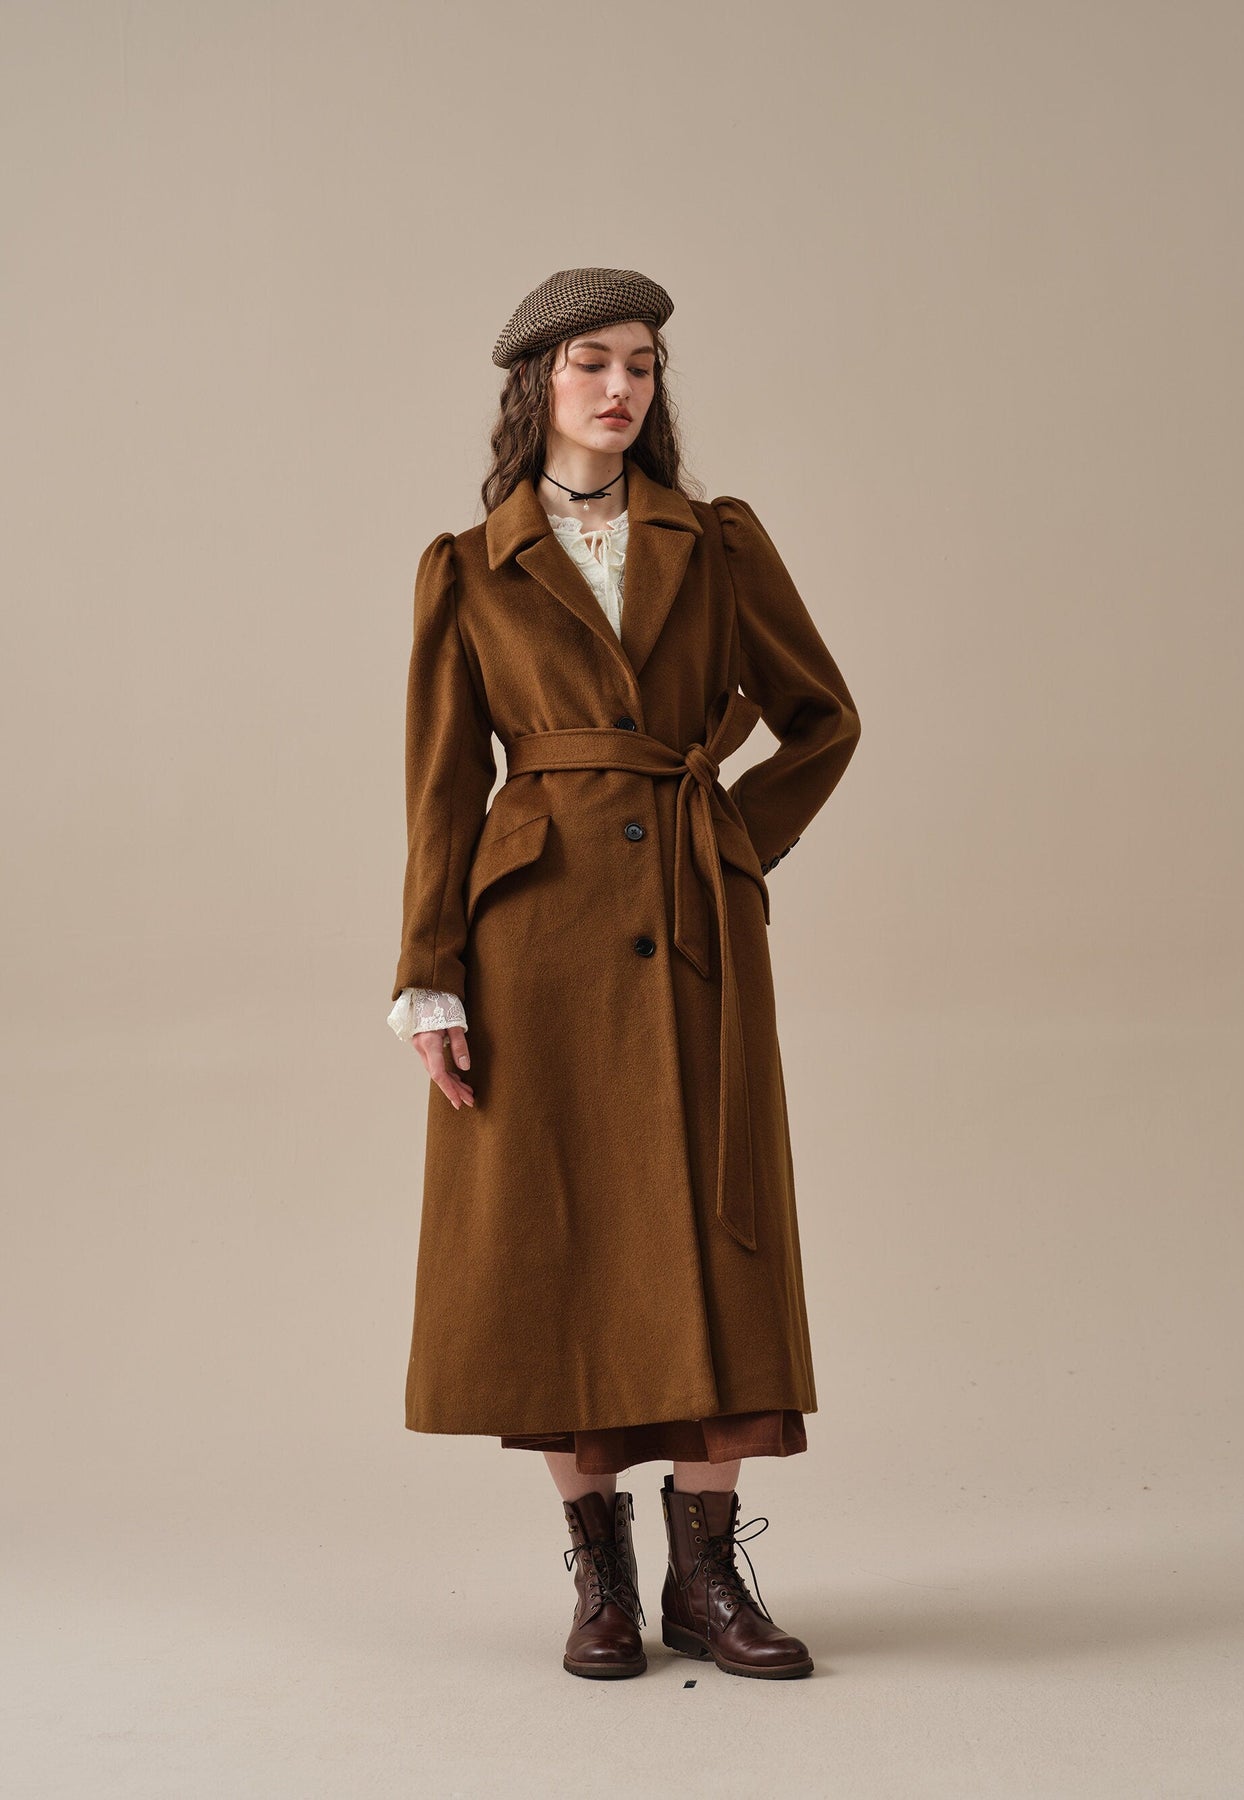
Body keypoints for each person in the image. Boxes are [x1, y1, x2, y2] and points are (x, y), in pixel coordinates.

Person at [387, 267, 862, 1681]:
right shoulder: (466, 565)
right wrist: (429, 975)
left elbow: (823, 718)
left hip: (691, 922)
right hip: (532, 940)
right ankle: (600, 1577)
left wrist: (731, 844)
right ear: (536, 382)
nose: (620, 388)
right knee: (557, 1236)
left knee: (720, 1219)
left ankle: (706, 1578)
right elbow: (438, 791)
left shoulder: (715, 540)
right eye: (592, 361)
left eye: (642, 365)